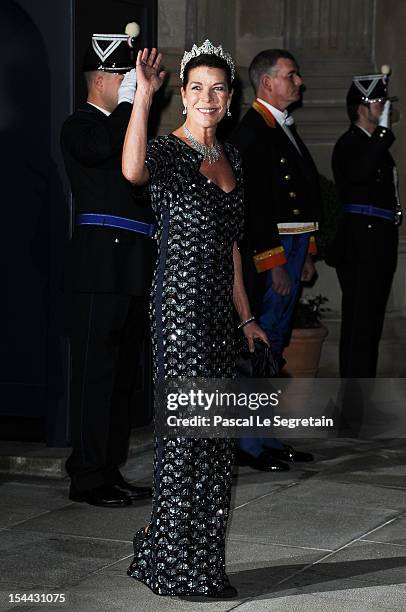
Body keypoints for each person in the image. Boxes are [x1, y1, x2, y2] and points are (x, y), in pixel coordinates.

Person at [122, 41, 268, 598]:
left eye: (218, 89)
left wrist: (247, 317)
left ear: (230, 100)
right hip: (179, 312)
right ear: (182, 96)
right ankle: (177, 568)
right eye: (197, 88)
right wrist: (142, 98)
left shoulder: (232, 160)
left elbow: (232, 247)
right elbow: (132, 170)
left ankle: (193, 557)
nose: (208, 98)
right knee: (186, 439)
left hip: (216, 313)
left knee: (214, 443)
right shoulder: (167, 149)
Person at [61, 26, 155, 507]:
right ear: (101, 78)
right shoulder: (80, 124)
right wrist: (130, 104)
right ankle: (86, 475)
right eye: (124, 76)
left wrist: (133, 108)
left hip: (133, 265)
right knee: (95, 376)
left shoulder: (127, 121)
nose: (131, 84)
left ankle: (109, 467)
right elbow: (102, 151)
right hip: (99, 267)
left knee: (121, 380)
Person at [230, 49, 321, 471]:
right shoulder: (253, 130)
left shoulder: (281, 126)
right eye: (291, 74)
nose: (298, 82)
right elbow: (257, 208)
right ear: (267, 82)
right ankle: (248, 444)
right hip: (271, 252)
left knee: (277, 347)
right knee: (259, 346)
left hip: (292, 248)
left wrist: (307, 253)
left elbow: (303, 200)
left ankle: (265, 436)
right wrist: (275, 261)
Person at [329, 72, 400, 377]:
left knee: (372, 323)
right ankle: (350, 410)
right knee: (359, 324)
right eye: (378, 102)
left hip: (381, 238)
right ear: (361, 107)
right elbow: (359, 172)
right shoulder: (350, 143)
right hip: (361, 241)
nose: (384, 108)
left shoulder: (374, 145)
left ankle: (363, 402)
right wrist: (383, 134)